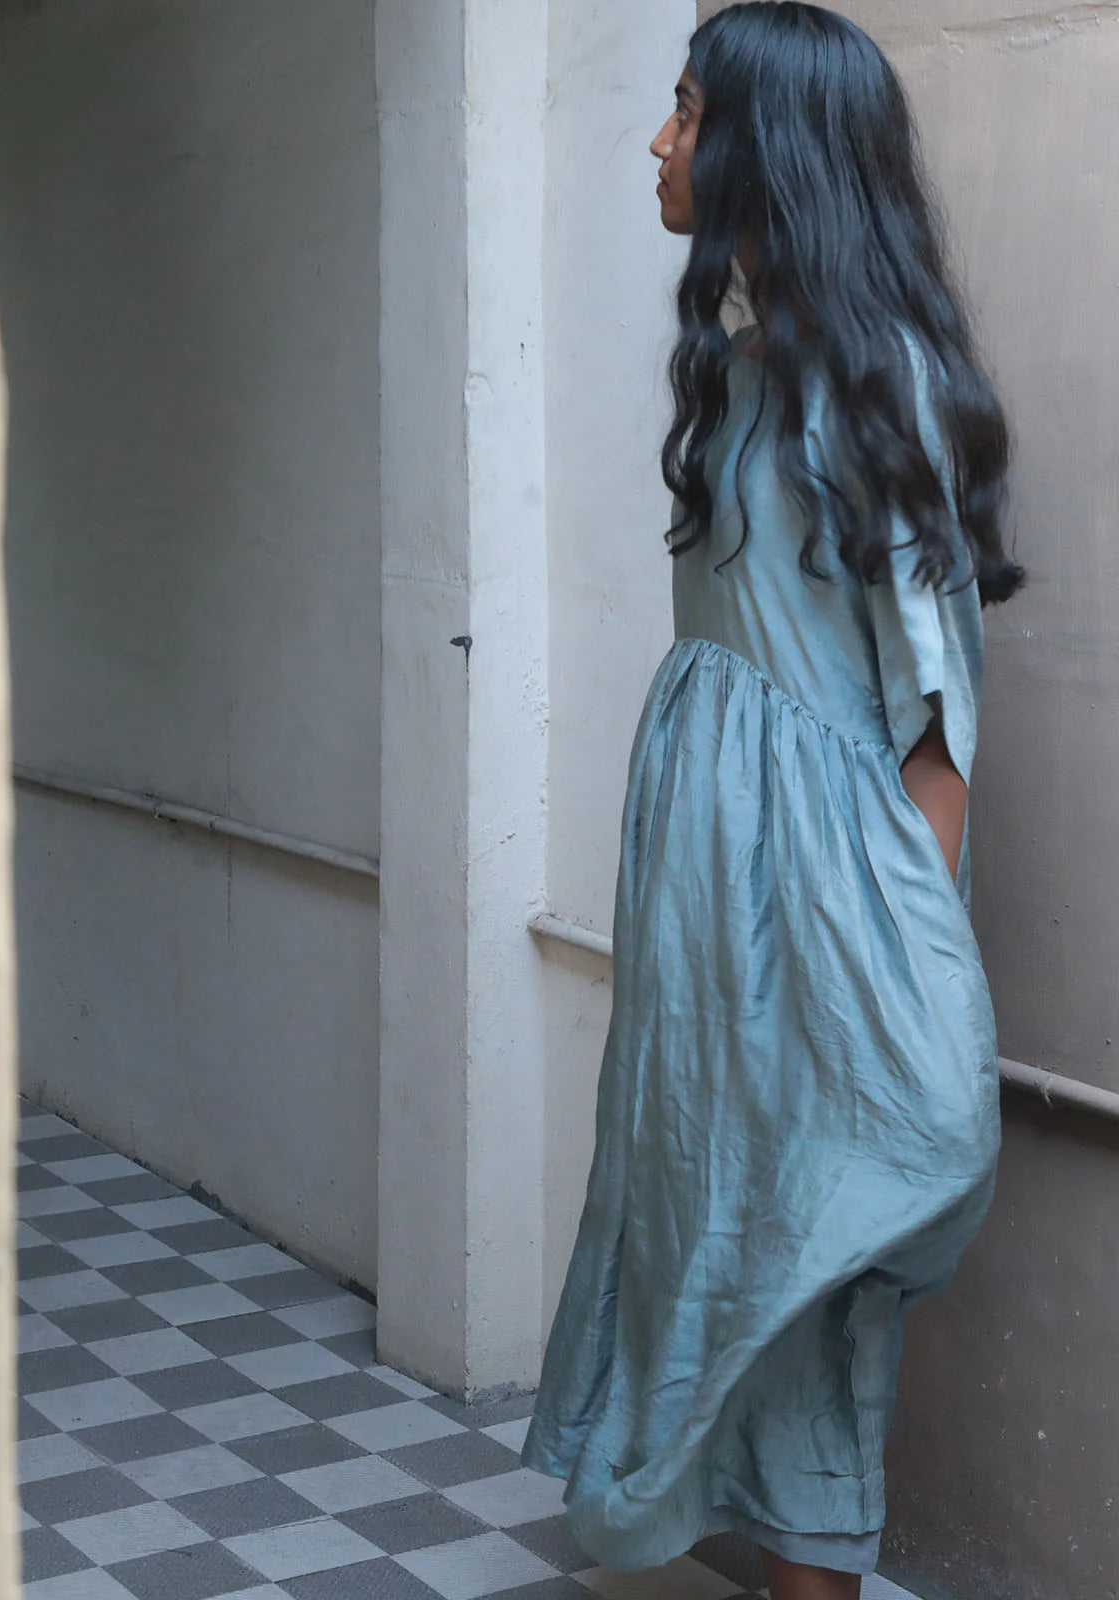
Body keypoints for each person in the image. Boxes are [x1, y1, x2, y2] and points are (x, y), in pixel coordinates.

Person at [520, 7, 1025, 1599]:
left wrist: (901, 975)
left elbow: (936, 725)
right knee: (720, 1222)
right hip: (705, 899)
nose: (658, 140)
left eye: (686, 111)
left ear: (771, 144)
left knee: (817, 1252)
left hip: (825, 908)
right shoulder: (740, 379)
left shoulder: (887, 392)